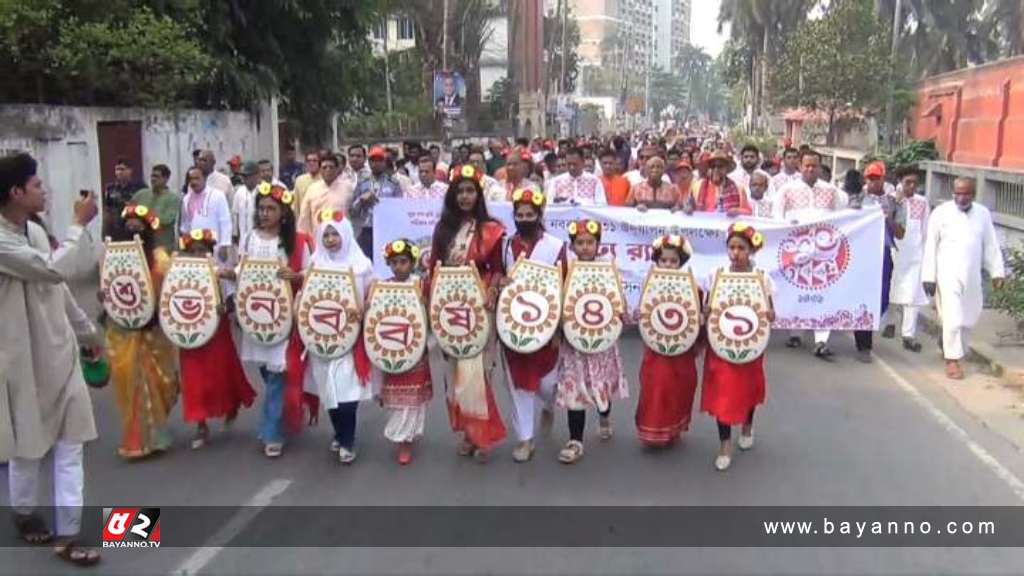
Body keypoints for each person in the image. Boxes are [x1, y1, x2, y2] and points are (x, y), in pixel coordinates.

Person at [1, 153, 103, 566]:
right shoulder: (4, 241)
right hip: (21, 361)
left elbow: (57, 289)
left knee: (70, 446)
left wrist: (87, 333)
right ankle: (24, 514)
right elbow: (50, 269)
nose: (45, 190)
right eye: (37, 184)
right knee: (28, 443)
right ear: (16, 192)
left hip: (61, 355)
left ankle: (69, 534)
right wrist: (80, 224)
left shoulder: (36, 231)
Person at [223, 184, 311, 457]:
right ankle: (284, 414)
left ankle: (272, 432)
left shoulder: (297, 241)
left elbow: (310, 273)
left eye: (270, 209)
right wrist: (225, 275)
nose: (264, 214)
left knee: (277, 376)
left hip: (284, 318)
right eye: (261, 209)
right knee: (268, 373)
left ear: (283, 213)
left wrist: (295, 276)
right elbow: (243, 269)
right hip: (256, 317)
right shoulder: (250, 238)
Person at [428, 164, 507, 461]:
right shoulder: (443, 229)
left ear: (479, 194)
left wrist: (491, 290)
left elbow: (499, 270)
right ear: (452, 195)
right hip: (449, 306)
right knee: (455, 373)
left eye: (470, 191)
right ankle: (468, 433)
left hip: (480, 306)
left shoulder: (492, 229)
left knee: (478, 373)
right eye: (459, 191)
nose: (464, 196)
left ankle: (483, 437)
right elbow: (433, 268)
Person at [105, 205, 178, 459]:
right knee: (134, 384)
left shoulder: (160, 259)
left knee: (165, 385)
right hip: (125, 332)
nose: (134, 228)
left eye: (139, 225)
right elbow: (109, 289)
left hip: (155, 331)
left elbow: (170, 293)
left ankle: (156, 428)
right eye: (129, 225)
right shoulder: (110, 257)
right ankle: (139, 440)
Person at [499, 188, 566, 462]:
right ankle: (525, 439)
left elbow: (564, 286)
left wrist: (559, 330)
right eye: (519, 214)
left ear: (539, 216)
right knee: (518, 385)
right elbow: (498, 277)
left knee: (548, 383)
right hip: (513, 326)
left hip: (546, 327)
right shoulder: (504, 245)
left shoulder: (555, 245)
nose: (524, 218)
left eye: (530, 214)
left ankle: (549, 405)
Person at [702, 223, 775, 471]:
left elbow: (770, 310)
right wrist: (706, 312)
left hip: (750, 344)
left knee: (748, 390)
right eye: (731, 247)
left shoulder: (762, 277)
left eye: (741, 248)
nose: (735, 252)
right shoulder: (716, 275)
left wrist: (769, 314)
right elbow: (707, 307)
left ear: (751, 250)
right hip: (721, 344)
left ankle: (747, 424)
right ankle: (724, 444)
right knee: (722, 391)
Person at [556, 219, 628, 464]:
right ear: (573, 246)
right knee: (574, 390)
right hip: (573, 342)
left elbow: (618, 301)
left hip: (601, 340)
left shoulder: (608, 269)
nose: (585, 247)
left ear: (598, 245)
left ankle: (604, 414)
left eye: (590, 243)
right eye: (580, 243)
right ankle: (575, 440)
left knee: (600, 385)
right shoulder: (566, 270)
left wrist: (619, 316)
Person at [305, 211, 374, 464]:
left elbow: (372, 293)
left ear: (345, 234)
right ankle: (338, 431)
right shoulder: (314, 263)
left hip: (350, 339)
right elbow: (305, 296)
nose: (331, 239)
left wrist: (363, 307)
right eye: (327, 235)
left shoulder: (361, 264)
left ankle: (348, 439)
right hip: (321, 338)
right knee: (329, 392)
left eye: (335, 234)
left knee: (347, 391)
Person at [177, 228, 255, 450]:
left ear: (210, 252)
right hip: (189, 331)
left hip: (216, 331)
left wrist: (224, 307)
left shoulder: (219, 273)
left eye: (202, 250)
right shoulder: (180, 273)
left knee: (221, 374)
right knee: (193, 380)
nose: (198, 255)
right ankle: (200, 424)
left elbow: (232, 299)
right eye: (193, 252)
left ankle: (231, 406)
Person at [922, 177, 1005, 380]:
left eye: (966, 193)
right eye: (957, 193)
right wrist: (928, 276)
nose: (961, 197)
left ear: (973, 194)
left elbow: (991, 245)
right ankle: (952, 361)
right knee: (953, 317)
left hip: (972, 275)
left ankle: (953, 347)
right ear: (953, 193)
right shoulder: (941, 213)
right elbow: (930, 246)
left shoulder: (982, 214)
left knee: (968, 317)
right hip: (947, 273)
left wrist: (997, 272)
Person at [775, 150, 848, 359]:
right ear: (800, 165)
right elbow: (776, 218)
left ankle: (821, 340)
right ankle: (795, 332)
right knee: (797, 288)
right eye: (806, 165)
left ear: (819, 167)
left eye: (814, 166)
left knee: (823, 292)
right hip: (796, 250)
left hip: (823, 252)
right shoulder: (787, 190)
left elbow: (843, 218)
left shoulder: (832, 191)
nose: (810, 169)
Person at [635, 234, 699, 447]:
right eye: (664, 260)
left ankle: (673, 428)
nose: (668, 265)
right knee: (655, 385)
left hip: (681, 348)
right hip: (655, 347)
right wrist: (638, 313)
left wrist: (700, 317)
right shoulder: (648, 280)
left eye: (674, 261)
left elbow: (695, 311)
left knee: (677, 387)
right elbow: (642, 308)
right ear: (657, 260)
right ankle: (652, 430)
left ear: (680, 262)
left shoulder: (690, 282)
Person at [377, 238, 433, 465]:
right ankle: (403, 436)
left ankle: (405, 441)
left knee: (412, 401)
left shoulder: (421, 285)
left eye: (403, 262)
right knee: (398, 401)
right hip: (393, 349)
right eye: (394, 263)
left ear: (412, 263)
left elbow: (431, 314)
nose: (398, 267)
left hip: (416, 349)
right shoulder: (383, 286)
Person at [849, 161, 905, 363]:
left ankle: (870, 325)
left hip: (883, 252)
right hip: (861, 254)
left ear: (883, 178)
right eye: (869, 178)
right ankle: (864, 344)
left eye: (876, 178)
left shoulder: (893, 202)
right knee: (863, 296)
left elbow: (901, 233)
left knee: (881, 298)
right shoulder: (858, 199)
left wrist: (887, 218)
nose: (872, 182)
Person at [885, 167, 930, 352]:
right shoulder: (892, 200)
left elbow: (926, 229)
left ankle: (908, 335)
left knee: (913, 294)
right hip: (896, 252)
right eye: (907, 182)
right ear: (900, 182)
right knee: (894, 289)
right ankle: (890, 322)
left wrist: (926, 254)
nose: (911, 186)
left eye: (915, 183)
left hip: (915, 254)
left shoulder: (922, 202)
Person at [349, 146, 402, 256]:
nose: (376, 163)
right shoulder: (362, 182)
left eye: (379, 160)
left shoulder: (394, 183)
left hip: (387, 230)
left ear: (384, 162)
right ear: (368, 162)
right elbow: (352, 211)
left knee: (386, 262)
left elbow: (400, 210)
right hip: (367, 230)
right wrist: (361, 200)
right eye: (373, 160)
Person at [179, 166, 233, 263]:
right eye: (191, 179)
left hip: (215, 246)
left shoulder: (218, 195)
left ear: (205, 179)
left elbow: (225, 221)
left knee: (216, 274)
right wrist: (183, 246)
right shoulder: (186, 199)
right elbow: (185, 225)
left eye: (197, 178)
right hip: (194, 248)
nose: (193, 182)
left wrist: (224, 245)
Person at [297, 154, 354, 239]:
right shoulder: (312, 189)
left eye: (331, 167)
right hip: (318, 238)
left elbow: (353, 213)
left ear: (337, 169)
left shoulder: (348, 187)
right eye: (324, 167)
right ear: (320, 170)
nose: (328, 170)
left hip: (342, 237)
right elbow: (304, 217)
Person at [130, 164, 181, 251]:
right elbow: (128, 211)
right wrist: (132, 221)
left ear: (166, 179)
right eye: (152, 176)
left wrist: (144, 218)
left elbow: (167, 220)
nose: (153, 179)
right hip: (140, 245)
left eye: (157, 176)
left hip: (162, 245)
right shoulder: (141, 194)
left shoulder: (173, 198)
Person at [689, 150, 752, 216]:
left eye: (720, 166)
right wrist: (689, 208)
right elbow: (690, 206)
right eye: (713, 166)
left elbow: (748, 212)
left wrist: (737, 211)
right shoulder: (697, 186)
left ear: (726, 169)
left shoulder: (738, 188)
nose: (716, 170)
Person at [102, 158, 146, 240]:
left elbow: (145, 208)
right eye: (117, 169)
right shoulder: (110, 188)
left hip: (133, 227)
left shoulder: (140, 187)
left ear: (130, 170)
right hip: (115, 227)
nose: (119, 172)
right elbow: (107, 209)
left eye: (122, 169)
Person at [232, 161, 261, 246]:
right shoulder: (239, 192)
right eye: (243, 176)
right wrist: (237, 237)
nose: (245, 179)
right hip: (243, 240)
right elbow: (236, 216)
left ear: (256, 176)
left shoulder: (263, 192)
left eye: (248, 176)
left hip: (259, 240)